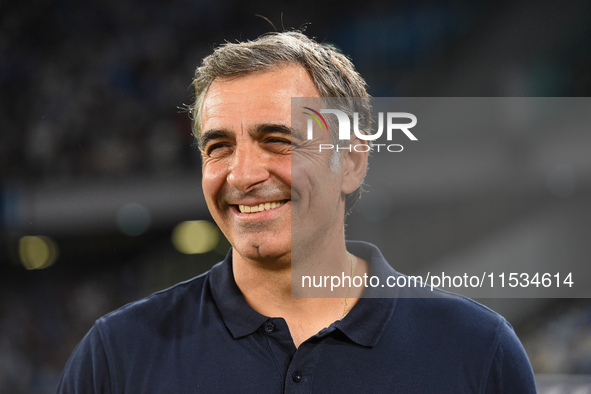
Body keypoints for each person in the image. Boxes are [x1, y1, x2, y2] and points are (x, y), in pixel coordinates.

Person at [57, 31, 536, 393]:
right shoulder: (117, 356)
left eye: (278, 141)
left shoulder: (476, 350)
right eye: (219, 146)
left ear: (350, 161)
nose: (242, 175)